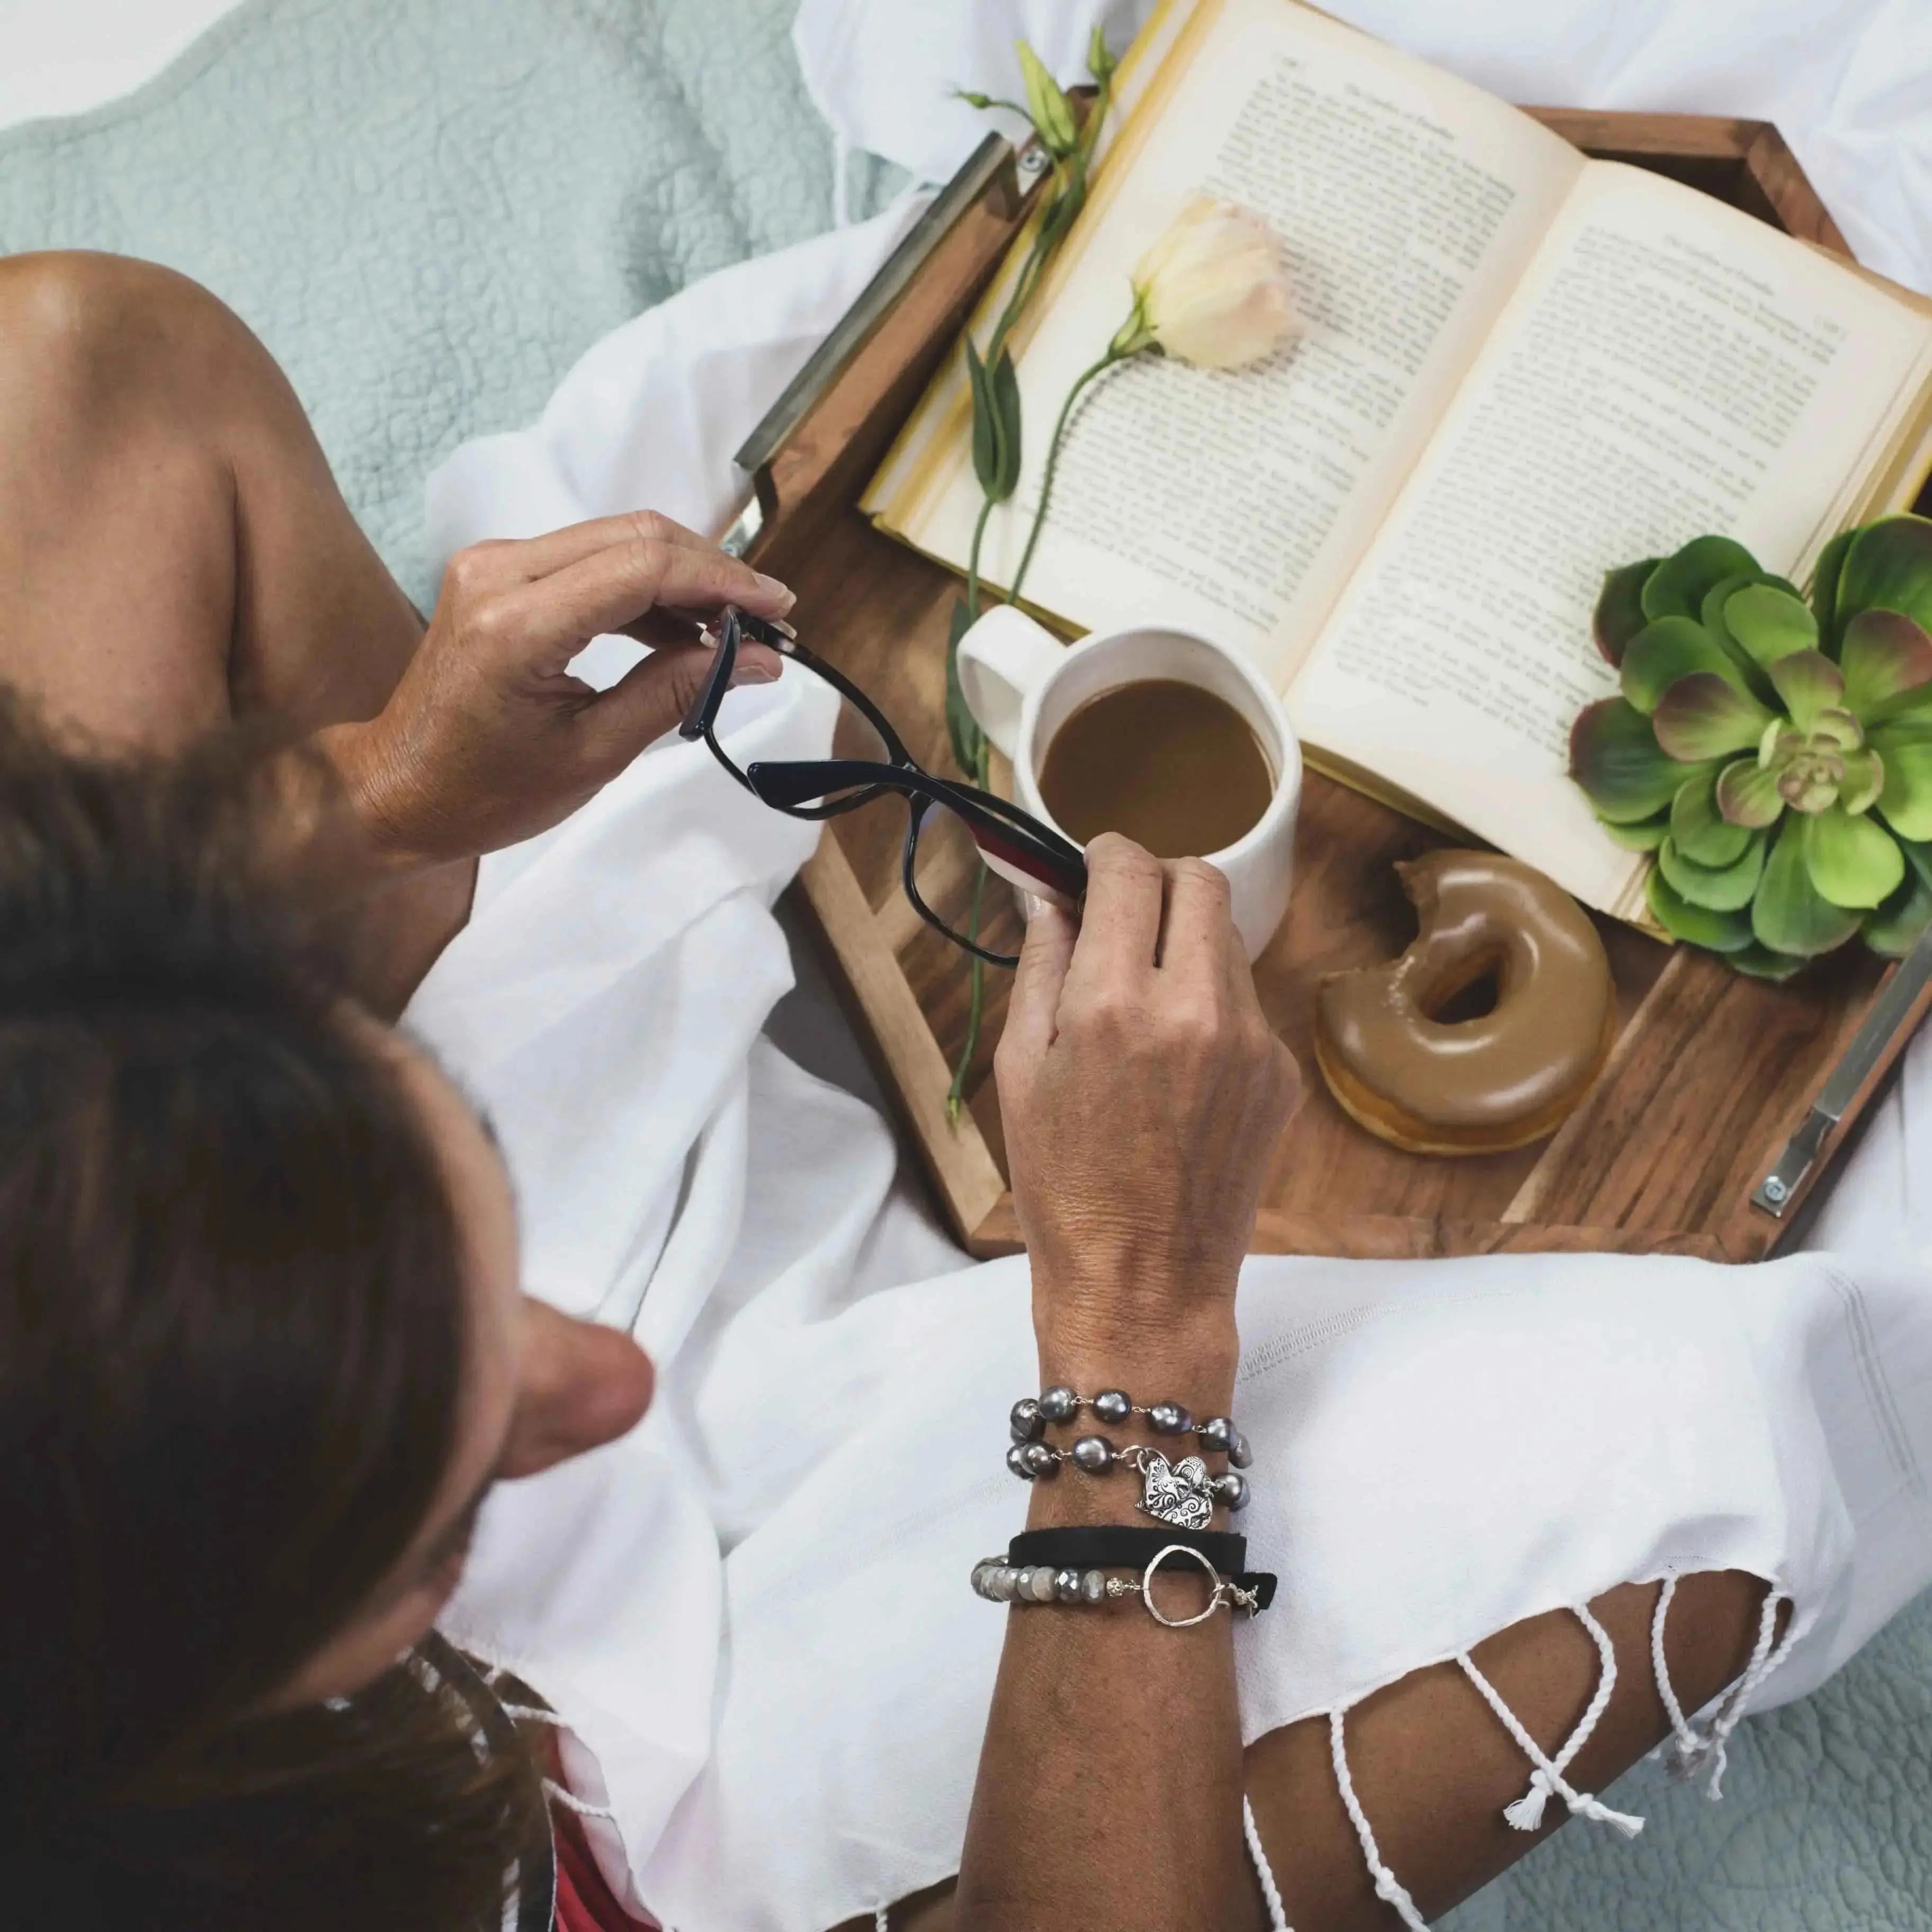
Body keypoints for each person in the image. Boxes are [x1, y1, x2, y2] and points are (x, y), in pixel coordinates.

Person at [3, 248, 1928, 1932]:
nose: (603, 1374)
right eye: (443, 1486)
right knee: (1714, 1456)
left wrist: (383, 793)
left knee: (65, 371)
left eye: (448, 1195)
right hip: (674, 1769)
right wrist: (1137, 1333)